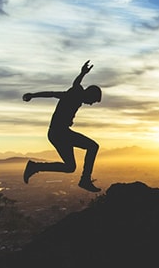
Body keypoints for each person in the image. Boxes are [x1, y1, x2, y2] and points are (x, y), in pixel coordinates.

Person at [22, 60, 102, 192]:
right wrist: (82, 73)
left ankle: (35, 167)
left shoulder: (77, 97)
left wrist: (33, 95)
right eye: (93, 100)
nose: (91, 104)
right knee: (93, 146)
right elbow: (64, 89)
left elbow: (59, 92)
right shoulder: (76, 93)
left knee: (70, 167)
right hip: (60, 133)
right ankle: (85, 180)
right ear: (90, 94)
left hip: (58, 134)